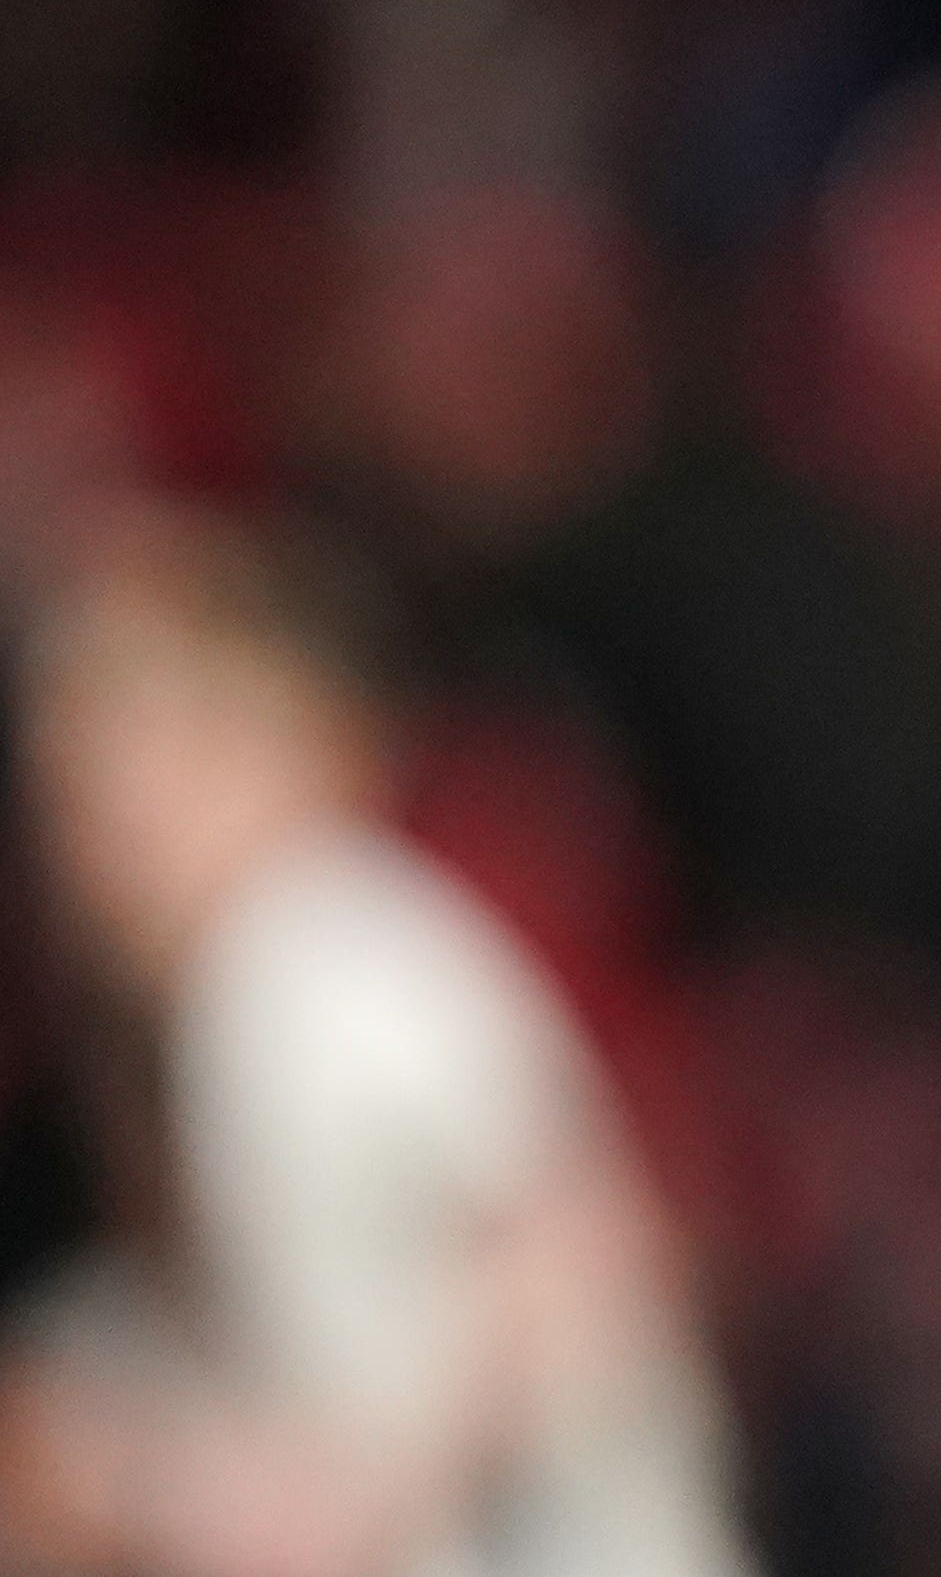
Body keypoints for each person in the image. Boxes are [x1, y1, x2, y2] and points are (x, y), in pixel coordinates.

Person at [0, 503, 757, 1577]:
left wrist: (367, 1497)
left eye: (118, 781)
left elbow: (575, 1250)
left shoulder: (317, 950)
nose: (87, 849)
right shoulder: (279, 966)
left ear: (260, 736)